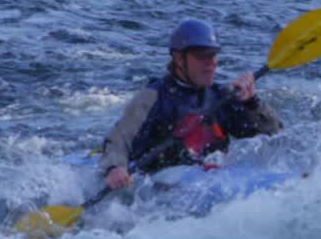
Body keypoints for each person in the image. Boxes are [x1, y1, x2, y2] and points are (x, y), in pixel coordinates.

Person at [99, 18, 282, 189]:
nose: (212, 64)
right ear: (179, 59)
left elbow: (274, 135)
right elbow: (118, 139)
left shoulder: (221, 96)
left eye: (214, 55)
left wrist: (252, 103)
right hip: (161, 183)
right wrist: (114, 168)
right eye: (203, 56)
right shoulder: (152, 97)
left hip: (210, 179)